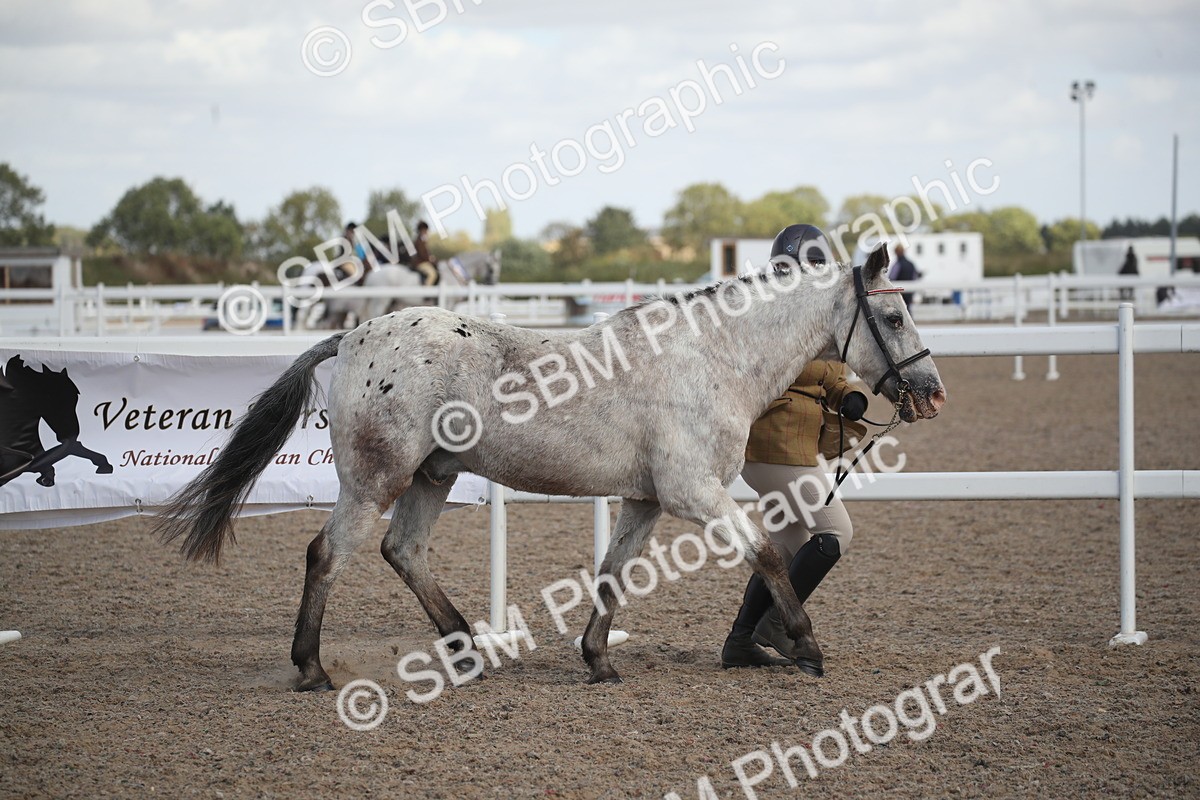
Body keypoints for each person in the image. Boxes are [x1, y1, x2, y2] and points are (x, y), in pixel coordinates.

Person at [721, 223, 869, 672]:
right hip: (774, 444)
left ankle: (741, 641)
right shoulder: (769, 313)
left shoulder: (812, 311)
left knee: (786, 547)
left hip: (791, 446)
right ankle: (777, 624)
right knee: (834, 532)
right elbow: (799, 369)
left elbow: (827, 368)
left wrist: (849, 394)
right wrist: (834, 382)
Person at [888, 243, 921, 308]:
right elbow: (914, 277)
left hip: (899, 293)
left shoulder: (897, 264)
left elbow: (891, 278)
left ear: (896, 252)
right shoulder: (911, 264)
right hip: (909, 292)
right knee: (908, 310)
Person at [411, 221, 440, 286]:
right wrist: (431, 259)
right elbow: (422, 254)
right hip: (421, 263)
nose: (426, 232)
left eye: (426, 230)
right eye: (424, 230)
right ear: (421, 231)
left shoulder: (425, 241)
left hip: (425, 262)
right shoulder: (419, 241)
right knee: (432, 274)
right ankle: (426, 291)